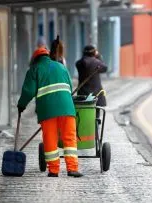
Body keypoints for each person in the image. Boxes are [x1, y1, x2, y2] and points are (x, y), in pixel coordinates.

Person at [17, 47, 83, 178]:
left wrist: (21, 105)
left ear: (35, 59)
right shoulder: (61, 66)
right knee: (69, 137)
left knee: (50, 138)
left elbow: (28, 92)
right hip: (67, 107)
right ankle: (72, 169)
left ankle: (54, 170)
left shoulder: (34, 69)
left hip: (47, 110)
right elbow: (69, 86)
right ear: (47, 56)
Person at [75, 45, 108, 119]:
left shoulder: (79, 63)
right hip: (96, 94)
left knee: (84, 115)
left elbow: (82, 61)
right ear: (94, 53)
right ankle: (95, 128)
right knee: (96, 116)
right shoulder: (97, 63)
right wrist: (98, 56)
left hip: (82, 93)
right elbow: (105, 68)